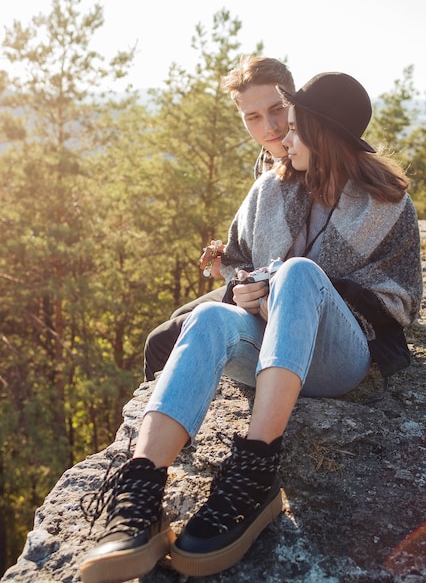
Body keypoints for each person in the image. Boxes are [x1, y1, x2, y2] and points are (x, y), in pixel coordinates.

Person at [80, 72, 423, 583]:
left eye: (295, 128)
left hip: (337, 359)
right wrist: (245, 290)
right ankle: (142, 492)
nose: (282, 136)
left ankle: (255, 469)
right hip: (266, 348)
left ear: (324, 136)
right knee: (209, 315)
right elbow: (239, 260)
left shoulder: (387, 205)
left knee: (300, 272)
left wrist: (299, 288)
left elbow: (397, 306)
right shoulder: (271, 189)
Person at [144, 54, 295, 382]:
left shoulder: (307, 159)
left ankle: (163, 428)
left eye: (277, 109)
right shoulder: (267, 160)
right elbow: (267, 235)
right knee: (176, 318)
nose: (268, 127)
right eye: (252, 116)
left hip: (276, 301)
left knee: (162, 342)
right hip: (253, 282)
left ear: (294, 103)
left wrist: (241, 276)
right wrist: (229, 256)